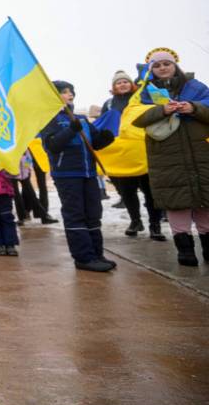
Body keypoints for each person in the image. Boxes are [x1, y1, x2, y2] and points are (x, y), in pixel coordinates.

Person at [132, 48, 209, 266]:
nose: (162, 68)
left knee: (205, 200)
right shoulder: (143, 93)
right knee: (177, 202)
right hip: (166, 157)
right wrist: (162, 111)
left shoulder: (196, 87)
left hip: (201, 154)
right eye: (156, 66)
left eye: (166, 63)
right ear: (150, 70)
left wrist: (193, 107)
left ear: (175, 65)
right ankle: (185, 252)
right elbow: (136, 118)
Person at [41, 81, 116, 272]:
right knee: (76, 215)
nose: (69, 94)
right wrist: (70, 130)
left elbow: (94, 144)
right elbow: (52, 146)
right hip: (67, 174)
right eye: (64, 92)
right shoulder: (49, 119)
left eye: (71, 91)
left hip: (88, 173)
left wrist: (105, 138)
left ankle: (96, 254)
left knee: (93, 214)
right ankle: (83, 258)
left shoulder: (81, 119)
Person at [102, 70, 165, 240]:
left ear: (132, 84)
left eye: (125, 82)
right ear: (113, 87)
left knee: (150, 191)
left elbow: (159, 110)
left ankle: (155, 225)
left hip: (144, 151)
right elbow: (103, 126)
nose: (122, 84)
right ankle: (135, 221)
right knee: (127, 192)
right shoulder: (108, 104)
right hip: (122, 155)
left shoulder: (142, 98)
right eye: (118, 82)